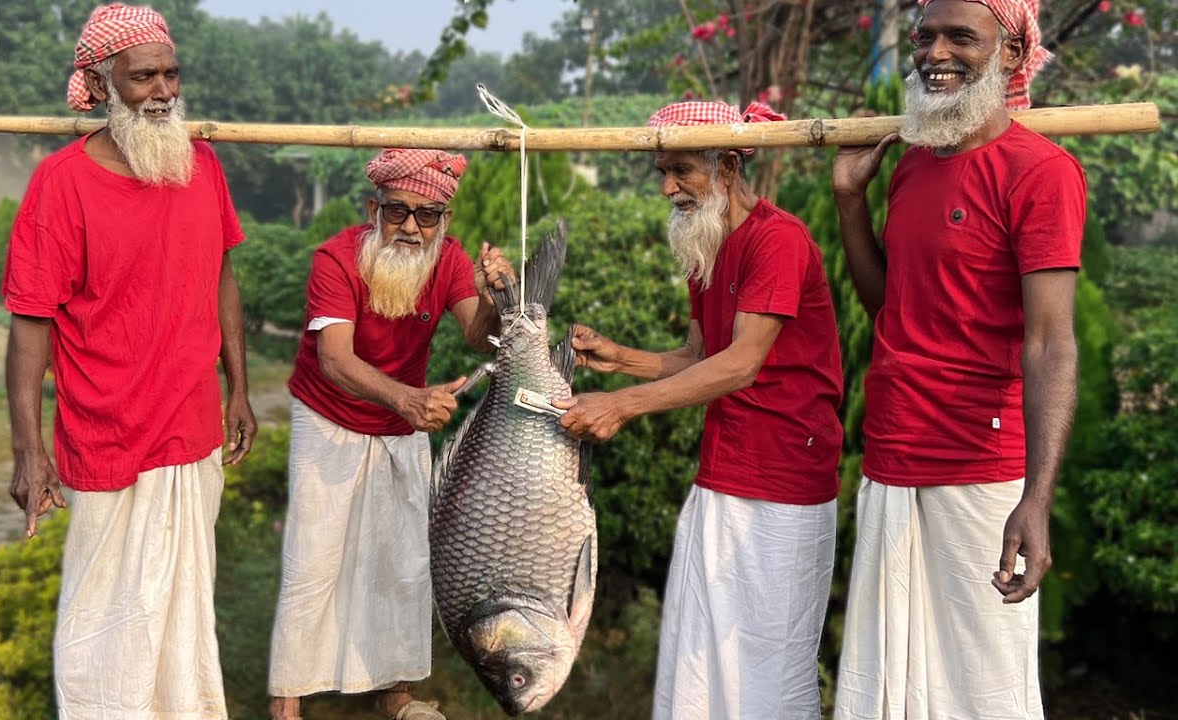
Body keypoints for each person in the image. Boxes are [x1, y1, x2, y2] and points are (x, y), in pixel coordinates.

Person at [830, 0, 1085, 717]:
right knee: (892, 688)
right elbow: (893, 307)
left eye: (960, 37)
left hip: (980, 474)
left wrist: (1036, 499)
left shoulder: (1042, 173)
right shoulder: (913, 164)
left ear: (1010, 54)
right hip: (892, 459)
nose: (934, 51)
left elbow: (1051, 342)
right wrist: (851, 207)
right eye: (925, 36)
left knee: (984, 692)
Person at [3, 4, 256, 719]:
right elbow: (29, 327)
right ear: (98, 80)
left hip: (193, 427)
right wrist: (28, 451)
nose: (162, 90)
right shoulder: (60, 185)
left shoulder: (202, 164)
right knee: (102, 623)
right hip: (105, 435)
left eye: (170, 73)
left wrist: (239, 388)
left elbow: (221, 277)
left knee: (183, 610)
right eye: (141, 75)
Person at [554, 101, 845, 720]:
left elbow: (742, 364)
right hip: (725, 470)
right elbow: (700, 354)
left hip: (786, 479)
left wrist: (623, 405)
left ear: (730, 163)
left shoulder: (778, 239)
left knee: (771, 665)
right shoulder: (708, 239)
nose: (667, 187)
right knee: (699, 658)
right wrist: (622, 358)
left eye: (681, 171)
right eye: (661, 171)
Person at [267, 148, 516, 720]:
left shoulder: (449, 259)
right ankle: (288, 701)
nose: (410, 226)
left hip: (403, 419)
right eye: (398, 211)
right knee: (313, 560)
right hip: (329, 416)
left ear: (444, 222)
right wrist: (407, 398)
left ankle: (396, 695)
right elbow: (333, 359)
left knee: (403, 560)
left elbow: (479, 338)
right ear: (372, 209)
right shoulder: (334, 258)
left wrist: (497, 300)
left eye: (427, 215)